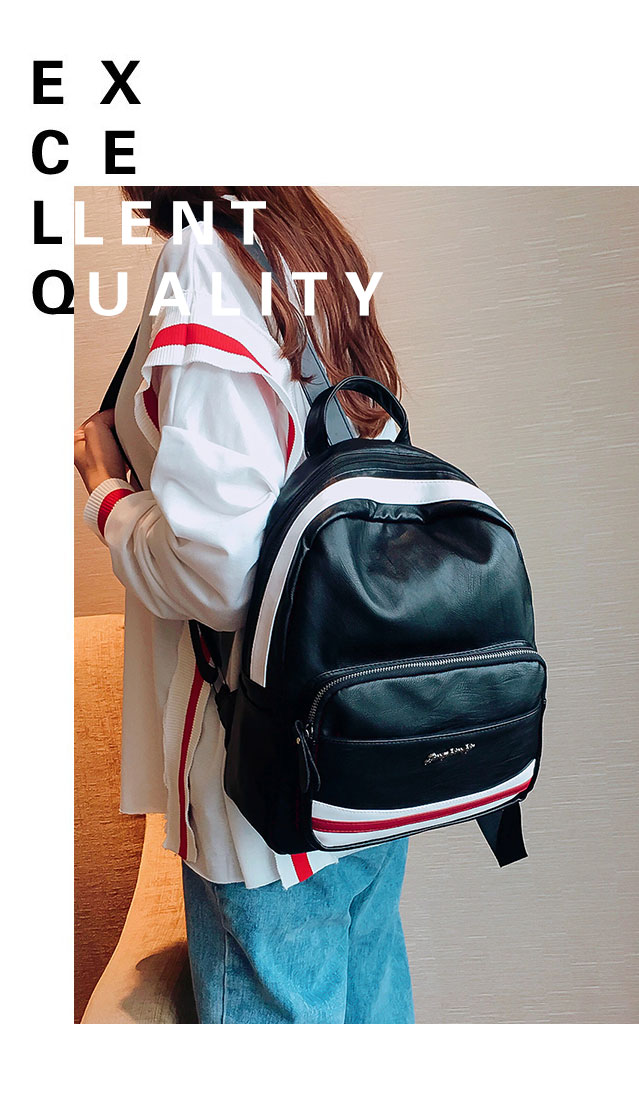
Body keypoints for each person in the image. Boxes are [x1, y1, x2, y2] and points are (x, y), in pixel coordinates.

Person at [74, 187, 415, 1024]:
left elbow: (221, 574)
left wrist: (107, 495)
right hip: (364, 750)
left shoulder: (202, 257)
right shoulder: (305, 245)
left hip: (267, 788)